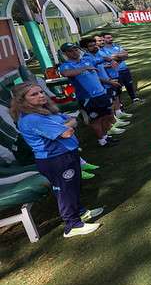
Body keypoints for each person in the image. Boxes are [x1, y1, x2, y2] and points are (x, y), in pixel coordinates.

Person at [11, 81, 104, 237]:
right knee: (65, 191)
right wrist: (67, 125)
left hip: (66, 154)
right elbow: (66, 132)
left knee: (73, 187)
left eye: (41, 92)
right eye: (34, 94)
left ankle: (80, 213)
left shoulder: (45, 110)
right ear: (22, 100)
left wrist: (68, 124)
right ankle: (72, 225)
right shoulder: (31, 118)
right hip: (55, 159)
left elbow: (71, 120)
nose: (41, 95)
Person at [58, 42, 123, 147]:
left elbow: (102, 59)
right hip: (88, 97)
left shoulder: (87, 60)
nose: (74, 52)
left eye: (76, 49)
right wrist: (84, 69)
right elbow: (66, 73)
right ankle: (102, 141)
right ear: (65, 53)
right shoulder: (66, 66)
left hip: (101, 93)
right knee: (96, 120)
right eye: (70, 51)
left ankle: (105, 136)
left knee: (108, 115)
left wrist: (111, 59)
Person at [81, 38, 131, 129]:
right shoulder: (86, 59)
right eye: (91, 46)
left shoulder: (97, 54)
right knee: (106, 107)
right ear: (85, 48)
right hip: (102, 85)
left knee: (111, 102)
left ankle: (114, 121)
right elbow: (94, 76)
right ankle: (111, 126)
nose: (94, 47)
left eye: (94, 44)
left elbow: (104, 63)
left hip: (108, 81)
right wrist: (109, 81)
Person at [100, 32, 141, 104]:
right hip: (114, 72)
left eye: (111, 37)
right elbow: (108, 59)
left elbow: (126, 55)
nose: (111, 39)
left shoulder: (116, 46)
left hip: (124, 69)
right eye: (108, 38)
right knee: (118, 88)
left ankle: (134, 98)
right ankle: (119, 104)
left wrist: (115, 56)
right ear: (103, 39)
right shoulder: (101, 50)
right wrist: (119, 56)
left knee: (129, 84)